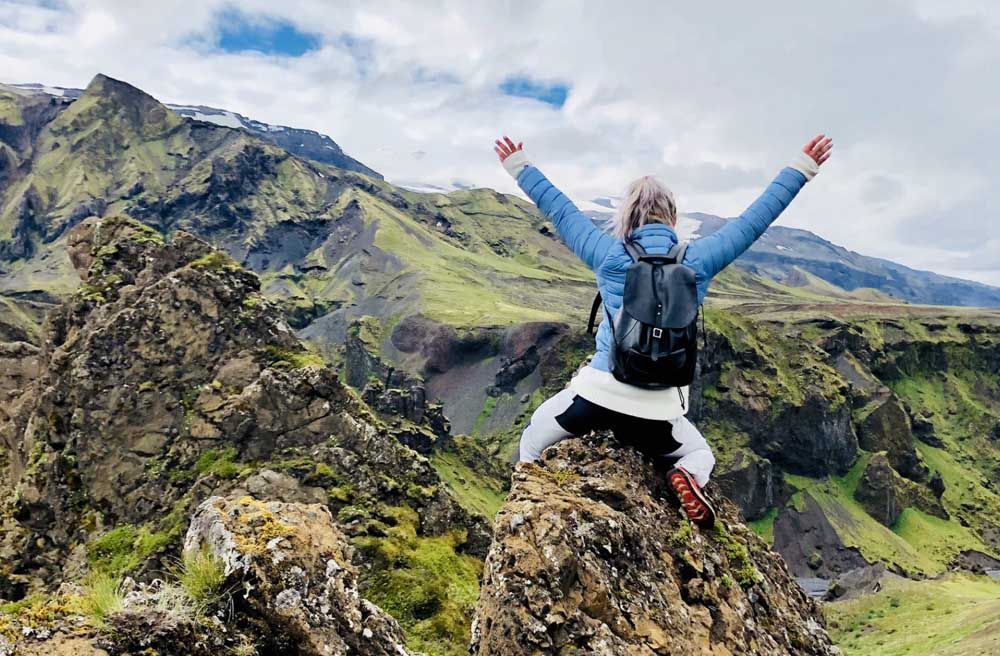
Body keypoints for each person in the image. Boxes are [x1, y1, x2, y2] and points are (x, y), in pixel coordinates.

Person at [494, 133, 833, 527]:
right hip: (659, 414)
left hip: (595, 399)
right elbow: (754, 221)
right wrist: (802, 168)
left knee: (532, 441)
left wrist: (518, 165)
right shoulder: (699, 260)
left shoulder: (607, 254)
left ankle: (529, 513)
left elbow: (561, 210)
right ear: (672, 218)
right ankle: (686, 476)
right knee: (700, 454)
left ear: (626, 217)